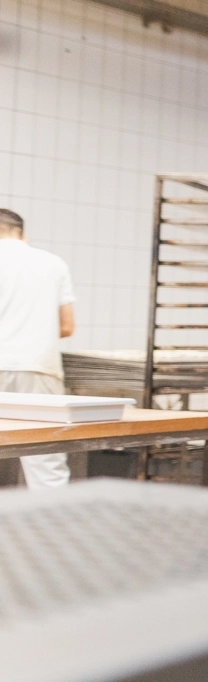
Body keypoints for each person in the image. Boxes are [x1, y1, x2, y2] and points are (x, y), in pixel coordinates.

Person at [0, 208, 77, 488]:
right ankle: (52, 529)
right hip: (38, 367)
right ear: (22, 233)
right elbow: (67, 327)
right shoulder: (52, 263)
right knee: (46, 463)